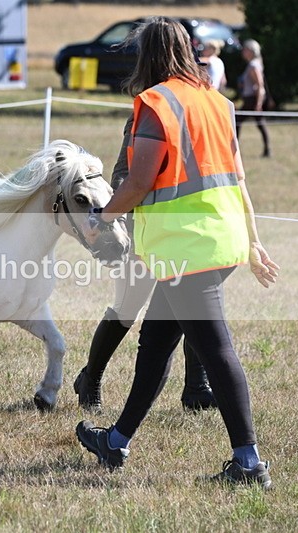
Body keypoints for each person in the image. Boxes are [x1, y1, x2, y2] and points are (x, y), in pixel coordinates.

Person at [77, 17, 280, 489]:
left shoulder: (155, 103)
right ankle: (117, 441)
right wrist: (250, 241)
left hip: (187, 249)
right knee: (156, 343)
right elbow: (240, 181)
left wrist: (101, 219)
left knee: (216, 349)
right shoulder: (219, 103)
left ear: (147, 56)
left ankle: (248, 464)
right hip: (218, 240)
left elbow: (140, 180)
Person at [74, 114, 218, 413]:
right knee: (127, 308)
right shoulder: (148, 114)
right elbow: (124, 175)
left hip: (187, 230)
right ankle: (91, 379)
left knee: (194, 304)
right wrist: (123, 221)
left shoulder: (200, 111)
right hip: (145, 229)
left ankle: (196, 387)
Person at [236, 39, 271, 157]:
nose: (243, 52)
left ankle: (234, 150)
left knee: (236, 121)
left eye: (245, 49)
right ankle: (267, 150)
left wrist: (258, 103)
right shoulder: (255, 63)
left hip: (252, 99)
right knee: (260, 123)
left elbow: (260, 86)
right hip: (251, 98)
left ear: (251, 51)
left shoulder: (253, 65)